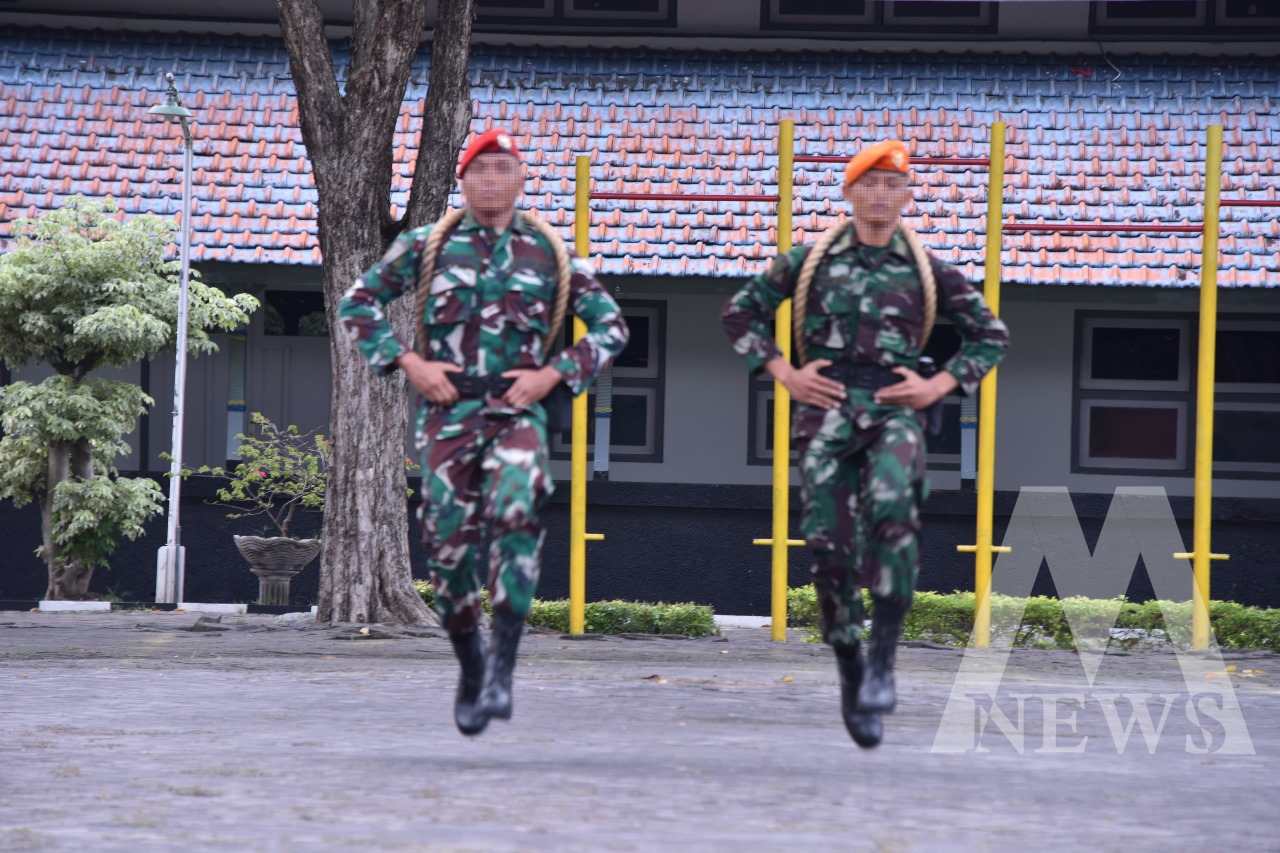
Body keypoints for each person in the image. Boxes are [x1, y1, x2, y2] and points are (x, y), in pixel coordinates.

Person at [339, 128, 629, 736]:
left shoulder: (549, 252)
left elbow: (610, 327)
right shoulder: (428, 245)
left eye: (504, 170)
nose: (492, 181)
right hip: (448, 414)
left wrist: (553, 374)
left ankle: (503, 667)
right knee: (448, 549)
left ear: (521, 180)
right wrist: (408, 362)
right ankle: (471, 663)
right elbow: (358, 303)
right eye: (481, 171)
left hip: (518, 411)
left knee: (517, 514)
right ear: (463, 180)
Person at [722, 139, 1008, 748]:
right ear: (849, 192)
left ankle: (883, 658)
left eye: (892, 185)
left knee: (894, 515)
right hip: (825, 411)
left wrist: (936, 386)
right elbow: (741, 314)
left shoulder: (927, 269)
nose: (880, 195)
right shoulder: (811, 261)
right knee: (828, 548)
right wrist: (785, 372)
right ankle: (850, 664)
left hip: (893, 408)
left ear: (907, 196)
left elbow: (989, 336)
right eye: (869, 184)